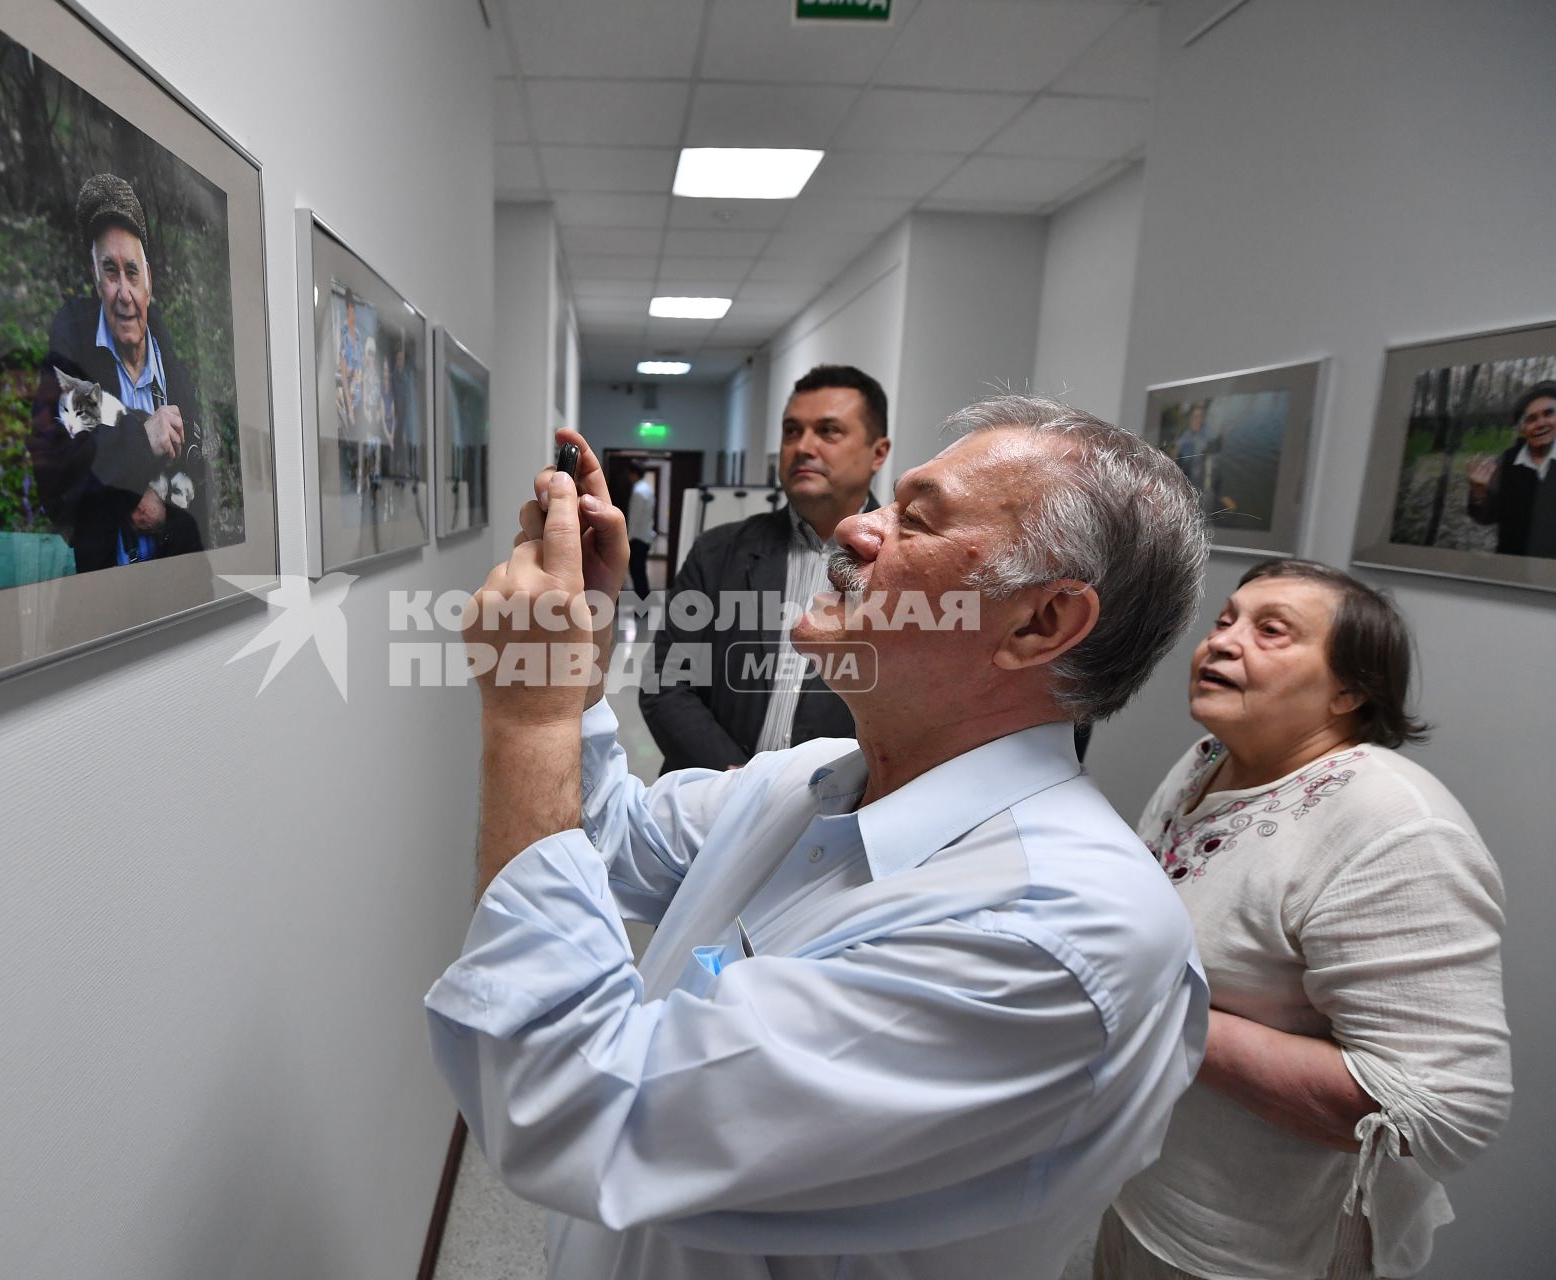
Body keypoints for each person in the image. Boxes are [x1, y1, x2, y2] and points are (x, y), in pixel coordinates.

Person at [426, 397, 1214, 1280]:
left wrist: (529, 715)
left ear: (1039, 625)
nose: (854, 528)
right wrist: (580, 654)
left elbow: (571, 1107)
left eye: (911, 519)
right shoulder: (818, 779)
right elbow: (609, 840)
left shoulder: (1054, 936)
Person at [1099, 559, 1510, 1280]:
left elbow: (1443, 1111)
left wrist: (1158, 1011)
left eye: (1272, 631)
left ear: (1350, 690)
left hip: (1260, 1249)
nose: (1222, 643)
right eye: (1225, 621)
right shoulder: (1209, 761)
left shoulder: (1395, 830)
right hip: (1145, 1191)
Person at [639, 364, 890, 772]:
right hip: (710, 800)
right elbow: (665, 681)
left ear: (878, 452)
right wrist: (738, 786)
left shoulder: (905, 565)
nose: (803, 447)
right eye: (792, 431)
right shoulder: (718, 551)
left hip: (835, 817)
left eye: (828, 431)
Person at [30, 173, 206, 572]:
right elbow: (57, 481)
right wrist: (142, 442)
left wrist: (166, 519)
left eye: (132, 272)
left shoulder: (175, 375)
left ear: (150, 283)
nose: (123, 293)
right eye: (111, 272)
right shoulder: (74, 360)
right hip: (106, 608)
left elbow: (205, 510)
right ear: (96, 279)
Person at [1466, 380, 1556, 557]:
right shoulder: (1506, 462)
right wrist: (1479, 493)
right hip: (1513, 566)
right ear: (1522, 429)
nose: (1541, 423)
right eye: (1531, 419)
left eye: (1549, 413)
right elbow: (1485, 518)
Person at [624, 461, 655, 604]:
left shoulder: (638, 491)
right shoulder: (647, 489)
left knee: (637, 573)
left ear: (634, 473)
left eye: (629, 474)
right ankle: (644, 603)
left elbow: (634, 519)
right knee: (640, 572)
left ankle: (642, 606)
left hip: (637, 538)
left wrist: (627, 539)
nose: (628, 477)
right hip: (645, 536)